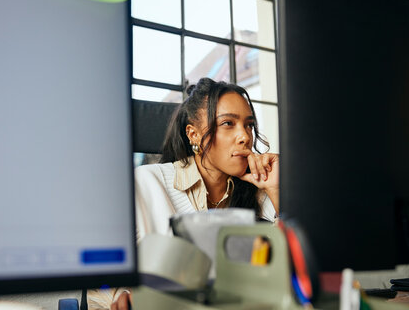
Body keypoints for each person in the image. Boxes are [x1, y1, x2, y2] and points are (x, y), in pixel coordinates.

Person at [90, 78, 279, 310]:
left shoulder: (261, 193)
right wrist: (124, 295)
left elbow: (296, 270)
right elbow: (99, 281)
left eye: (248, 125)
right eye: (228, 123)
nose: (245, 137)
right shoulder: (145, 184)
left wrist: (276, 189)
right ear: (194, 134)